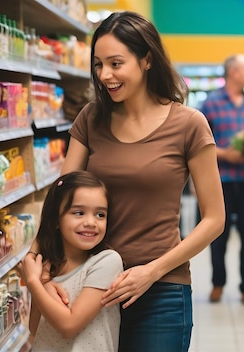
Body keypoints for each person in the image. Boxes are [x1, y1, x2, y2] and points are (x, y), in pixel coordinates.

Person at [57, 11, 225, 351]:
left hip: (161, 289)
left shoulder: (188, 124)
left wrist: (151, 271)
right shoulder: (92, 118)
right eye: (99, 64)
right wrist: (41, 264)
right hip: (93, 283)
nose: (106, 75)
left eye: (116, 63)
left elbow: (215, 219)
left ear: (147, 59)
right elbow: (61, 198)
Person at [22, 171, 123, 351]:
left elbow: (69, 326)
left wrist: (33, 282)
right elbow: (36, 328)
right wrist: (42, 283)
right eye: (79, 212)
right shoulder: (47, 267)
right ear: (55, 220)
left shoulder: (106, 262)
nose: (91, 222)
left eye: (100, 215)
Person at [200, 53, 244, 306]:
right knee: (219, 234)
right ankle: (218, 284)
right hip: (221, 181)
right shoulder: (211, 103)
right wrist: (225, 154)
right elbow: (200, 143)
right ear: (234, 73)